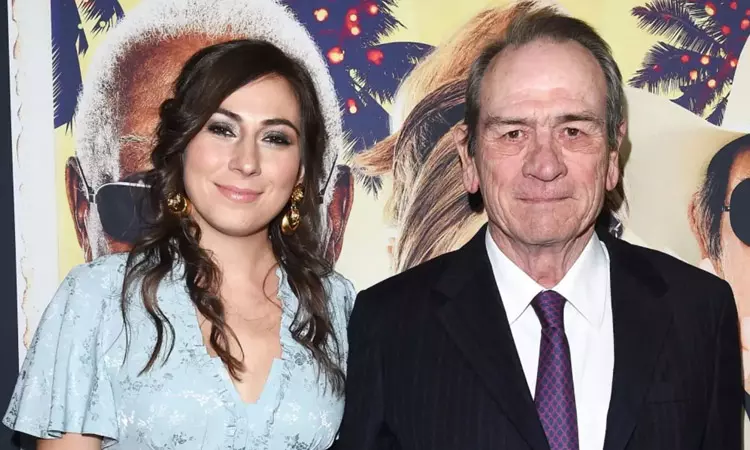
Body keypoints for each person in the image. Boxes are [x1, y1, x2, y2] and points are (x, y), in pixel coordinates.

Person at [336, 4, 742, 450]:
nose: (545, 165)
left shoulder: (700, 311)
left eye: (573, 131)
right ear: (469, 158)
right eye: (513, 133)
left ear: (612, 154)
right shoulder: (389, 325)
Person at [4, 39, 356, 450]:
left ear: (301, 171)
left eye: (275, 138)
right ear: (182, 146)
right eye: (222, 129)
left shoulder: (336, 304)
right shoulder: (97, 298)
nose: (246, 162)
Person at [66, 0, 353, 264]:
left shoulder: (341, 298)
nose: (245, 163)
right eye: (150, 199)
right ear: (81, 210)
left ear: (335, 214)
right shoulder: (88, 294)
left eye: (274, 138)